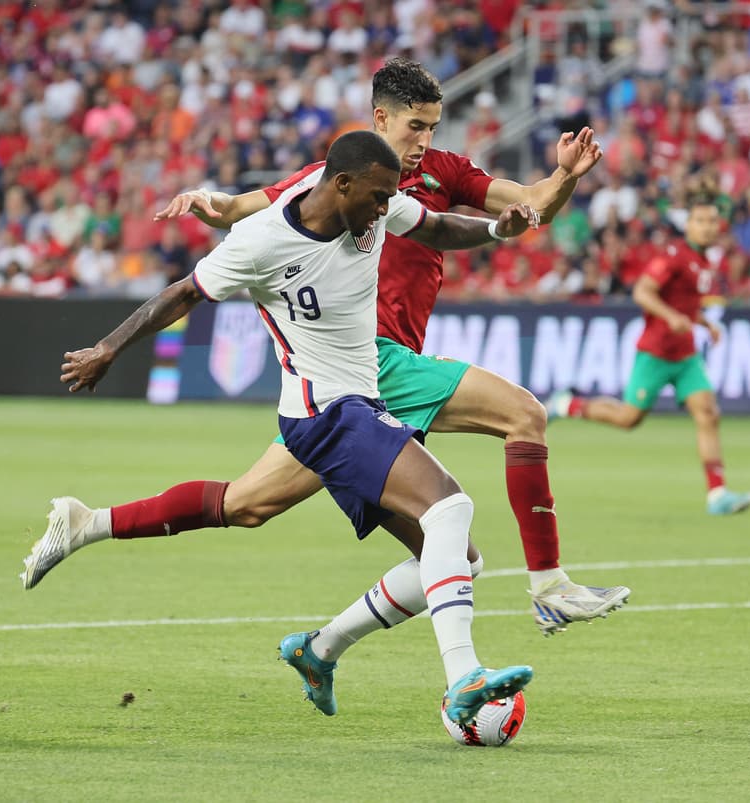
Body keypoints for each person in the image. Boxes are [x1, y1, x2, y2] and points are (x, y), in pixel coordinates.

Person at [68, 58, 628, 637]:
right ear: (381, 118)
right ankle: (550, 587)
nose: (425, 140)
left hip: (352, 387)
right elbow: (243, 212)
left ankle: (90, 524)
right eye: (416, 126)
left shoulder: (443, 172)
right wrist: (205, 198)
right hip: (373, 362)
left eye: (433, 126)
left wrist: (565, 177)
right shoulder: (334, 176)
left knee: (247, 506)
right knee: (524, 415)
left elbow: (528, 204)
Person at [33, 130, 536, 725]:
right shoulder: (260, 241)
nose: (383, 212)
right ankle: (463, 678)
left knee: (445, 556)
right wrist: (108, 348)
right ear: (341, 184)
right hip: (327, 414)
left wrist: (498, 229)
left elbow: (432, 227)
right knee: (448, 509)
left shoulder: (373, 203)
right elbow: (181, 294)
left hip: (355, 407)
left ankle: (316, 648)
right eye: (377, 199)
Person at [547, 184, 750, 516]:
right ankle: (568, 404)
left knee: (708, 412)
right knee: (629, 419)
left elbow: (684, 302)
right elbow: (643, 293)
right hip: (656, 352)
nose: (708, 226)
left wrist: (703, 322)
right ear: (688, 224)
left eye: (712, 221)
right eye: (701, 221)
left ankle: (718, 494)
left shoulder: (704, 260)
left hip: (685, 354)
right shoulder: (673, 256)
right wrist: (672, 317)